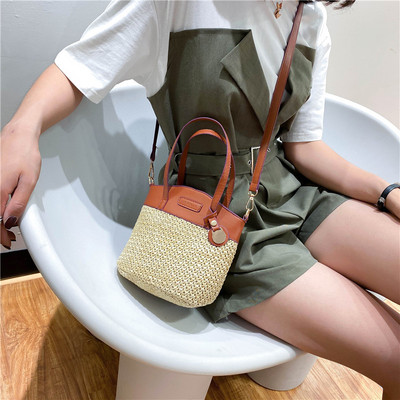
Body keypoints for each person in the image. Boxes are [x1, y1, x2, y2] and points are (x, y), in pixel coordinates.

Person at [1, 0, 399, 398]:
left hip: (290, 190)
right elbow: (78, 69)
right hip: (212, 218)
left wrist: (386, 192)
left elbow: (304, 148)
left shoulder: (308, 17)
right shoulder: (179, 4)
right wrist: (21, 130)